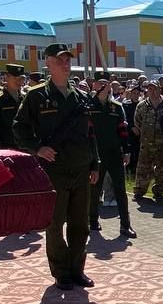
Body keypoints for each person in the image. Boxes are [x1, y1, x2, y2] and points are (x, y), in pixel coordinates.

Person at [13, 44, 100, 290]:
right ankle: (61, 271)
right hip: (54, 170)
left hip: (81, 167)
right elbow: (19, 127)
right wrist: (37, 148)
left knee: (80, 224)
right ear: (48, 63)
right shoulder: (37, 95)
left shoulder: (80, 97)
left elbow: (90, 135)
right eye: (60, 60)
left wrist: (95, 164)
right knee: (55, 223)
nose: (65, 64)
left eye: (68, 60)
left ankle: (76, 269)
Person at [87, 78, 135, 239]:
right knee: (95, 189)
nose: (103, 86)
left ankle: (125, 225)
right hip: (96, 155)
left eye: (106, 84)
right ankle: (92, 220)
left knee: (120, 190)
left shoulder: (116, 107)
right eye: (99, 83)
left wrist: (126, 151)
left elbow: (123, 130)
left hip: (114, 154)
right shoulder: (88, 106)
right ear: (94, 85)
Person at [132, 81, 163, 199]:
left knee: (162, 169)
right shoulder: (141, 105)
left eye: (154, 89)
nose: (152, 92)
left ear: (159, 89)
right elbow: (137, 121)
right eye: (150, 89)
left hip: (162, 143)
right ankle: (139, 191)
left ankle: (159, 191)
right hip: (146, 143)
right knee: (143, 168)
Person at [0, 64, 24, 148]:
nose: (19, 81)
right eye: (15, 78)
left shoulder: (25, 97)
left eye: (21, 78)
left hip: (25, 145)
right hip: (7, 146)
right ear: (6, 77)